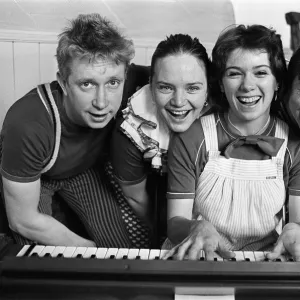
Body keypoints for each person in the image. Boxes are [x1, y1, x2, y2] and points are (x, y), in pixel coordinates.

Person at [0, 13, 140, 247]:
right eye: (87, 84)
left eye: (113, 83)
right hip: (37, 179)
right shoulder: (28, 123)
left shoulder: (133, 82)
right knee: (52, 261)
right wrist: (86, 250)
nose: (102, 102)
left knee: (119, 249)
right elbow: (22, 220)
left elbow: (178, 78)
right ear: (63, 83)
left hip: (83, 171)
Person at [164, 24, 300, 261]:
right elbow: (174, 223)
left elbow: (297, 223)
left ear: (277, 81)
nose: (247, 85)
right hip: (198, 258)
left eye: (260, 73)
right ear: (220, 83)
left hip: (263, 262)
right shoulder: (192, 137)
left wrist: (293, 230)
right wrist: (194, 228)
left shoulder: (293, 144)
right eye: (234, 73)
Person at [110, 34, 212, 247]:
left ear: (209, 87)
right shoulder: (131, 129)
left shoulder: (227, 115)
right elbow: (136, 199)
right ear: (151, 85)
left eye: (192, 88)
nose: (178, 102)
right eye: (166, 87)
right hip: (153, 200)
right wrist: (168, 232)